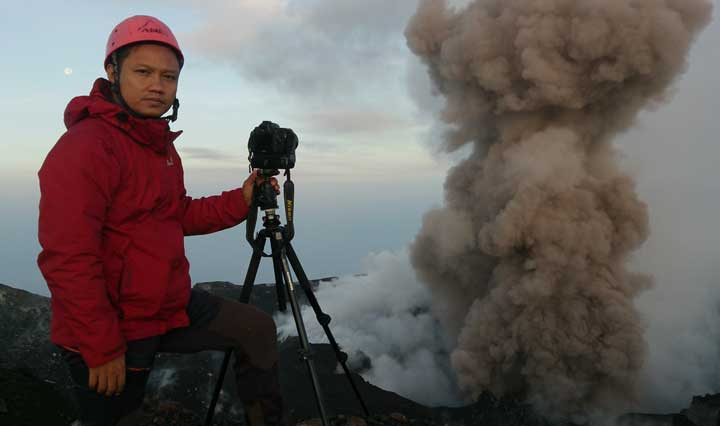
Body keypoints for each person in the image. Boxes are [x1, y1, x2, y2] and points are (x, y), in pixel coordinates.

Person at [37, 15, 287, 426]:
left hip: (165, 305)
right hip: (112, 323)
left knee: (255, 330)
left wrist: (240, 200)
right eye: (144, 72)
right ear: (112, 72)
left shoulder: (158, 146)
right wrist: (100, 347)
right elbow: (68, 258)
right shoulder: (84, 149)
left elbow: (177, 213)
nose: (158, 85)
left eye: (169, 77)